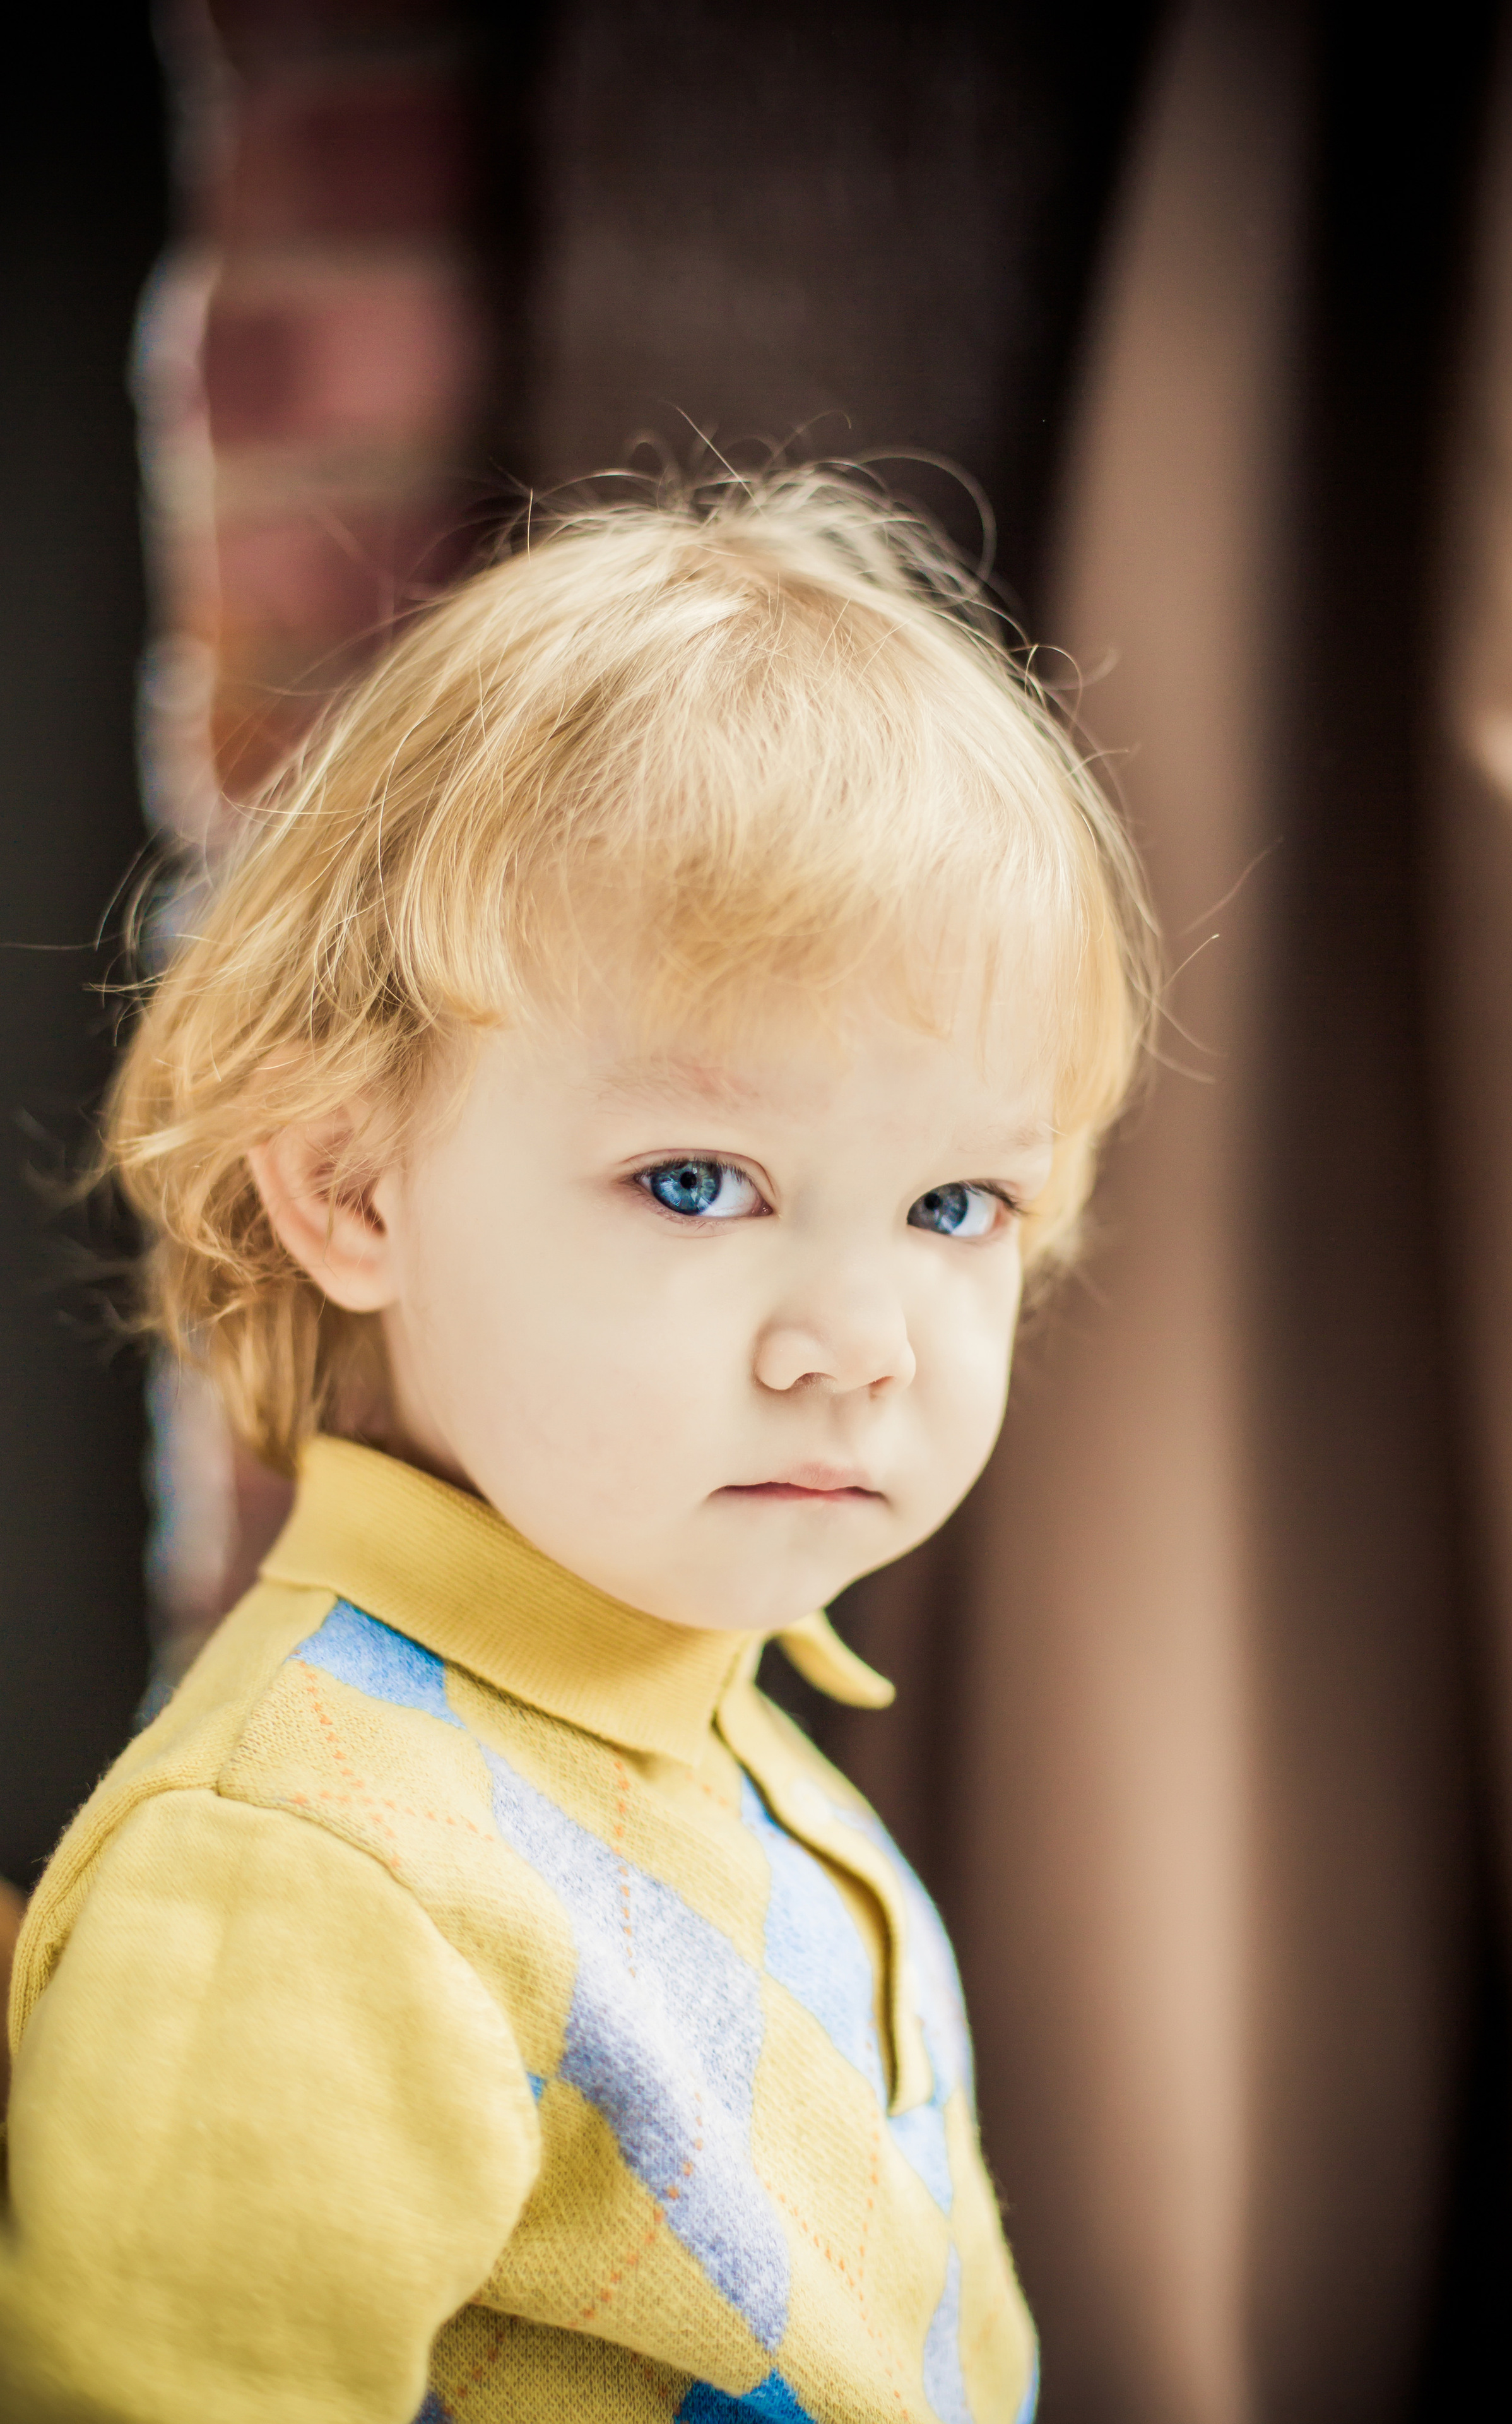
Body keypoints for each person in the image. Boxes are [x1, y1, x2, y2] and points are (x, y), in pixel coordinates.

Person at [0, 470, 1152, 2423]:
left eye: (956, 1205)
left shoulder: (703, 1726)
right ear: (351, 1187)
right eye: (701, 1181)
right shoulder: (308, 1881)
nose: (857, 1344)